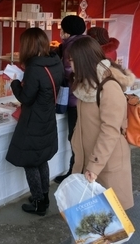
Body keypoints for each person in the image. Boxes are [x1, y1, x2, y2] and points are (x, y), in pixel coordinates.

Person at [68, 37, 135, 210]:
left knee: (109, 222)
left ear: (83, 61)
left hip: (106, 162)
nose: (70, 64)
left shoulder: (109, 86)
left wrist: (94, 165)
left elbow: (110, 131)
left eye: (72, 60)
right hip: (89, 160)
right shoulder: (86, 85)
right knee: (90, 220)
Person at [5, 27, 64, 216]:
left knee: (31, 162)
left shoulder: (33, 68)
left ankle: (38, 203)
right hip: (47, 117)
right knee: (41, 160)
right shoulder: (55, 62)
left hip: (33, 121)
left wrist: (14, 82)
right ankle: (44, 196)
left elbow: (26, 98)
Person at [54, 15, 88, 184]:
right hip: (87, 98)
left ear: (67, 32)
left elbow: (68, 72)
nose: (60, 32)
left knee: (74, 137)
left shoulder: (70, 48)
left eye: (62, 29)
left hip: (74, 99)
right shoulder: (87, 43)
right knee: (83, 136)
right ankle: (80, 170)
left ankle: (75, 173)